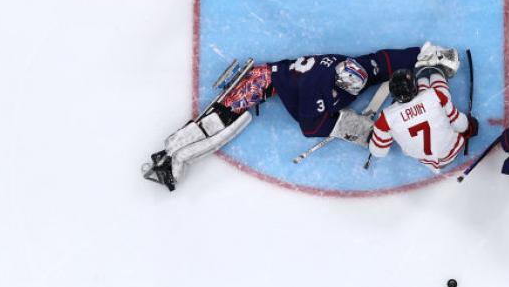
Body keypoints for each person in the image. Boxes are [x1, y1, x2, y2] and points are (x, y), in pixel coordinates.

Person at [143, 42, 460, 190]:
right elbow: (310, 125)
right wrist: (356, 129)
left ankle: (173, 154)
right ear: (337, 83)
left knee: (222, 117)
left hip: (282, 79)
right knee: (219, 119)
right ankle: (172, 156)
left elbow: (382, 62)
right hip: (262, 81)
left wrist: (426, 54)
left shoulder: (349, 66)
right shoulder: (317, 92)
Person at [367, 66, 478, 171]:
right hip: (453, 150)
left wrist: (375, 137)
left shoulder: (385, 119)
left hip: (428, 162)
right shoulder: (435, 95)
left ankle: (423, 78)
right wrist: (470, 127)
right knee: (440, 94)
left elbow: (378, 152)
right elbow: (460, 125)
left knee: (429, 98)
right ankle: (436, 73)